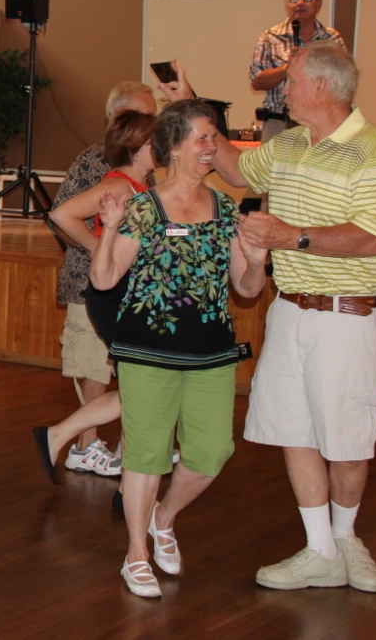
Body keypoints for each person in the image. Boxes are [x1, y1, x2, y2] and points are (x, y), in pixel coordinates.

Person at [164, 43, 376, 594]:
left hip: (347, 317)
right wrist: (193, 104)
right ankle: (320, 549)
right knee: (295, 430)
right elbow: (236, 169)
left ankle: (345, 539)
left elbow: (370, 238)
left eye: (290, 81)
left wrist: (290, 237)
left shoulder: (372, 149)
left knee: (346, 443)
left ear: (320, 87)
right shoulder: (289, 143)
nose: (282, 90)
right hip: (290, 310)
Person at [89, 100, 267, 598]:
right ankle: (135, 554)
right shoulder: (142, 207)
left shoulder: (226, 208)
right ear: (171, 146)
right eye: (202, 139)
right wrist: (107, 228)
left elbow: (247, 290)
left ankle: (163, 518)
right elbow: (104, 279)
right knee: (146, 455)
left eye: (213, 138)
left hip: (210, 350)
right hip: (147, 349)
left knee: (212, 452)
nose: (212, 148)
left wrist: (256, 262)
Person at [32, 109, 156, 482]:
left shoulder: (144, 187)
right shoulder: (119, 185)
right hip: (114, 294)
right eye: (156, 141)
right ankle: (67, 437)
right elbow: (63, 214)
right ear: (138, 148)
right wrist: (95, 245)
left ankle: (116, 453)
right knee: (144, 382)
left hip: (134, 294)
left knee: (145, 383)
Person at [250, 0, 346, 140]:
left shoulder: (331, 39)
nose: (300, 4)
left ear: (319, 4)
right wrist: (287, 68)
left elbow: (343, 82)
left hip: (320, 124)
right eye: (294, 0)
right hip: (278, 125)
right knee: (275, 166)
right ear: (287, 6)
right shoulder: (270, 37)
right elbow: (257, 82)